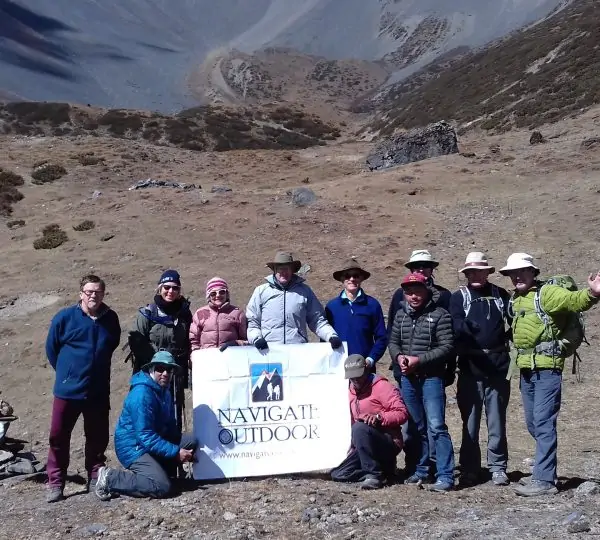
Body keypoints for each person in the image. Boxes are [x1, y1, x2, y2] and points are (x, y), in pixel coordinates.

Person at [499, 253, 600, 496]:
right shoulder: (517, 299)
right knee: (534, 424)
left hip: (547, 368)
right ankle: (545, 473)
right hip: (526, 369)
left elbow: (574, 301)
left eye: (522, 271)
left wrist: (593, 293)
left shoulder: (548, 294)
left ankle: (544, 481)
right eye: (513, 273)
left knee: (543, 423)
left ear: (533, 272)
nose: (517, 276)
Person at [45, 275, 121, 503]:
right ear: (81, 294)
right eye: (88, 292)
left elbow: (112, 344)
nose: (93, 296)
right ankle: (56, 483)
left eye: (97, 291)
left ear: (103, 294)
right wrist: (67, 374)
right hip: (68, 390)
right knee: (58, 437)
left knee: (97, 437)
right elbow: (52, 349)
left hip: (97, 390)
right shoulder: (65, 318)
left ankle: (95, 475)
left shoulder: (111, 319)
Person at [94, 351, 197, 500]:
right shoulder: (142, 394)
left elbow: (169, 425)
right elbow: (145, 435)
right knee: (162, 486)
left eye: (169, 369)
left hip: (151, 441)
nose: (165, 373)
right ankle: (110, 478)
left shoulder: (164, 391)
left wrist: (179, 448)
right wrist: (175, 452)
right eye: (160, 369)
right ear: (151, 370)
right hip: (133, 447)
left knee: (192, 440)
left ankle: (163, 472)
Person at [386, 249, 453, 477]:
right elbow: (393, 340)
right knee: (415, 426)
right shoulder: (401, 316)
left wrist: (419, 360)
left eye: (417, 291)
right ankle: (421, 469)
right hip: (407, 377)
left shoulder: (441, 314)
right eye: (409, 292)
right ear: (404, 294)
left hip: (431, 377)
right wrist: (398, 358)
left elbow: (447, 347)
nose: (413, 296)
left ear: (426, 291)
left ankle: (445, 474)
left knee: (436, 426)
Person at [449, 252, 512, 487]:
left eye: (479, 270)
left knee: (496, 421)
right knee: (470, 423)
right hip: (470, 369)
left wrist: (507, 338)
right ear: (466, 274)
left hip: (497, 368)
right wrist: (463, 329)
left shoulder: (501, 295)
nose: (475, 275)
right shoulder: (458, 298)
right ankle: (470, 468)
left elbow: (516, 321)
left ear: (488, 272)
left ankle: (498, 467)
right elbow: (454, 322)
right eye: (470, 271)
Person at [331, 354, 408, 489]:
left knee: (359, 428)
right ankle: (384, 471)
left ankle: (374, 475)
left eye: (359, 376)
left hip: (387, 440)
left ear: (367, 370)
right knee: (339, 474)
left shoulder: (382, 387)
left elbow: (402, 413)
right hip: (362, 444)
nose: (356, 380)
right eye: (352, 377)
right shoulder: (349, 392)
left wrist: (379, 417)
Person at [128, 270, 192, 432]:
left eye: (175, 288)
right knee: (149, 412)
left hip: (174, 373)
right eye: (167, 287)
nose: (170, 291)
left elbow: (189, 340)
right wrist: (156, 361)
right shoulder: (147, 314)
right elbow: (136, 340)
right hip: (150, 373)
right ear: (159, 288)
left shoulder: (184, 314)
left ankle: (173, 452)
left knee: (173, 413)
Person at [246, 251, 342, 350]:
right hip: (269, 351)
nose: (284, 272)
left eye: (287, 268)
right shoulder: (261, 291)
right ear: (274, 270)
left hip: (297, 351)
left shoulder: (305, 291)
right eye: (280, 268)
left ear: (292, 270)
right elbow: (253, 321)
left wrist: (331, 336)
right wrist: (256, 338)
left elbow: (317, 320)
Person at [325, 259, 387, 371]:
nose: (352, 279)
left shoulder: (372, 305)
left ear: (361, 278)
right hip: (338, 368)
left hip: (364, 368)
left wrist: (371, 359)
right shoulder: (331, 307)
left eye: (356, 275)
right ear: (341, 279)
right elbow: (324, 339)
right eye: (347, 276)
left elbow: (381, 337)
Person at [189, 277, 248, 352]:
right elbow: (193, 340)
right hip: (206, 358)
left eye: (222, 292)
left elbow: (246, 340)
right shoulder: (200, 313)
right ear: (209, 296)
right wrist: (196, 354)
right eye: (213, 293)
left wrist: (237, 343)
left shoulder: (238, 313)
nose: (218, 295)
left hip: (231, 357)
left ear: (227, 294)